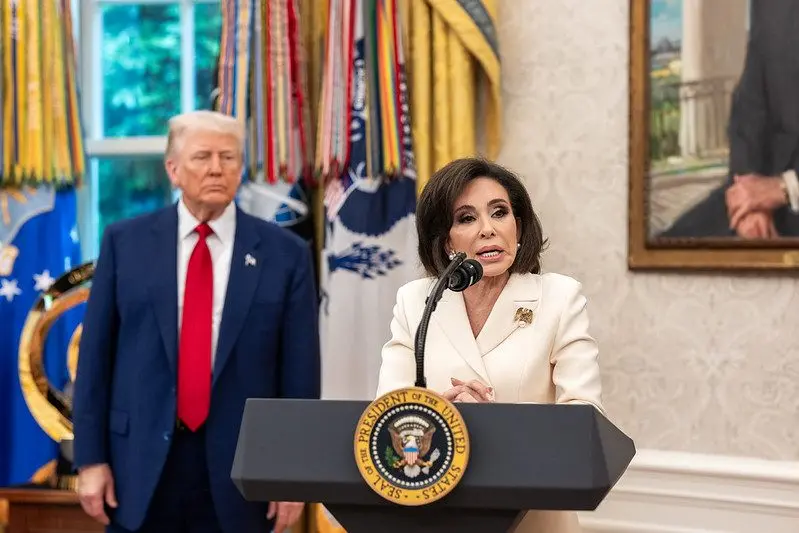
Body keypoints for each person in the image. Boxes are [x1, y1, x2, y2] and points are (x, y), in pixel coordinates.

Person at [72, 110, 320, 533]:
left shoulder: (285, 254)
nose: (216, 169)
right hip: (139, 464)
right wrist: (91, 460)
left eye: (228, 157)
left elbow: (300, 374)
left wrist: (290, 473)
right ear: (173, 169)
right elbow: (96, 359)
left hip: (243, 470)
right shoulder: (124, 242)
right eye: (202, 156)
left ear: (241, 168)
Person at [375, 157, 603, 533]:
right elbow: (387, 414)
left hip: (533, 517)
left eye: (499, 212)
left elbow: (585, 419)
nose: (488, 229)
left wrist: (498, 423)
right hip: (435, 515)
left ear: (518, 225)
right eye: (466, 218)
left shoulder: (560, 298)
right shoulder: (416, 301)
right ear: (446, 240)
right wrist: (438, 415)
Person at [659, 0, 799, 239]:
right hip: (761, 193)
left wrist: (785, 188)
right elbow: (748, 111)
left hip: (787, 194)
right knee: (667, 248)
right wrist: (749, 201)